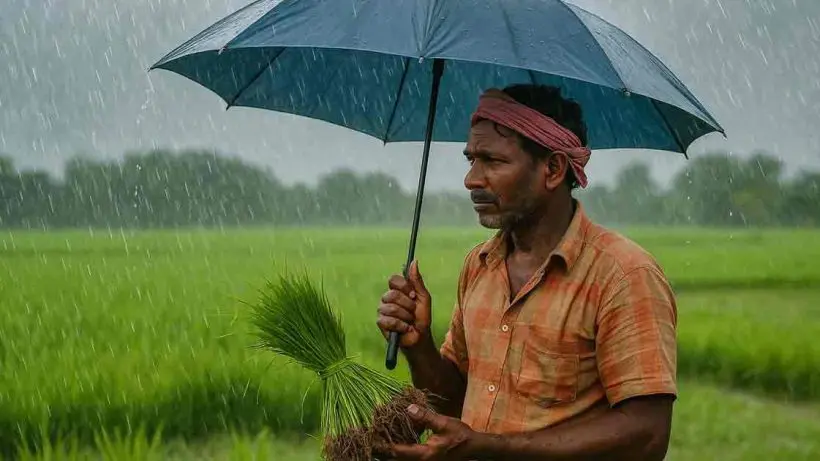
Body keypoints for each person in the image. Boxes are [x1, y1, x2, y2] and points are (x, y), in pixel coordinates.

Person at [375, 84, 678, 460]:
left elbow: (647, 434)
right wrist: (418, 343)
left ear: (552, 169)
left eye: (492, 161)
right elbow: (454, 401)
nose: (471, 179)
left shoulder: (622, 275)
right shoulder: (479, 266)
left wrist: (492, 449)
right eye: (471, 159)